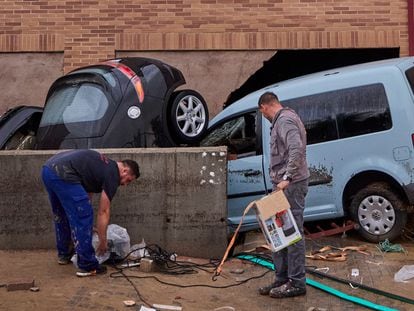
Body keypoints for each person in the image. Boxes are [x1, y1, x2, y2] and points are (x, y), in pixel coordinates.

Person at [41, 149, 140, 277]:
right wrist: (103, 240)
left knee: (62, 215)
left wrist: (89, 228)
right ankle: (88, 265)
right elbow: (103, 211)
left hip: (48, 170)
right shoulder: (113, 174)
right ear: (125, 171)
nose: (125, 184)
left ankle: (64, 254)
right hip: (63, 173)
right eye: (128, 180)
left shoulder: (102, 166)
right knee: (84, 215)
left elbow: (86, 195)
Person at [257, 92, 310, 298]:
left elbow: (296, 148)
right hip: (282, 185)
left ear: (265, 107)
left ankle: (297, 283)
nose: (264, 117)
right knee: (278, 233)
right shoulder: (282, 119)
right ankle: (281, 279)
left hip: (291, 185)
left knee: (292, 232)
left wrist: (287, 177)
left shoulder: (286, 120)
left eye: (263, 113)